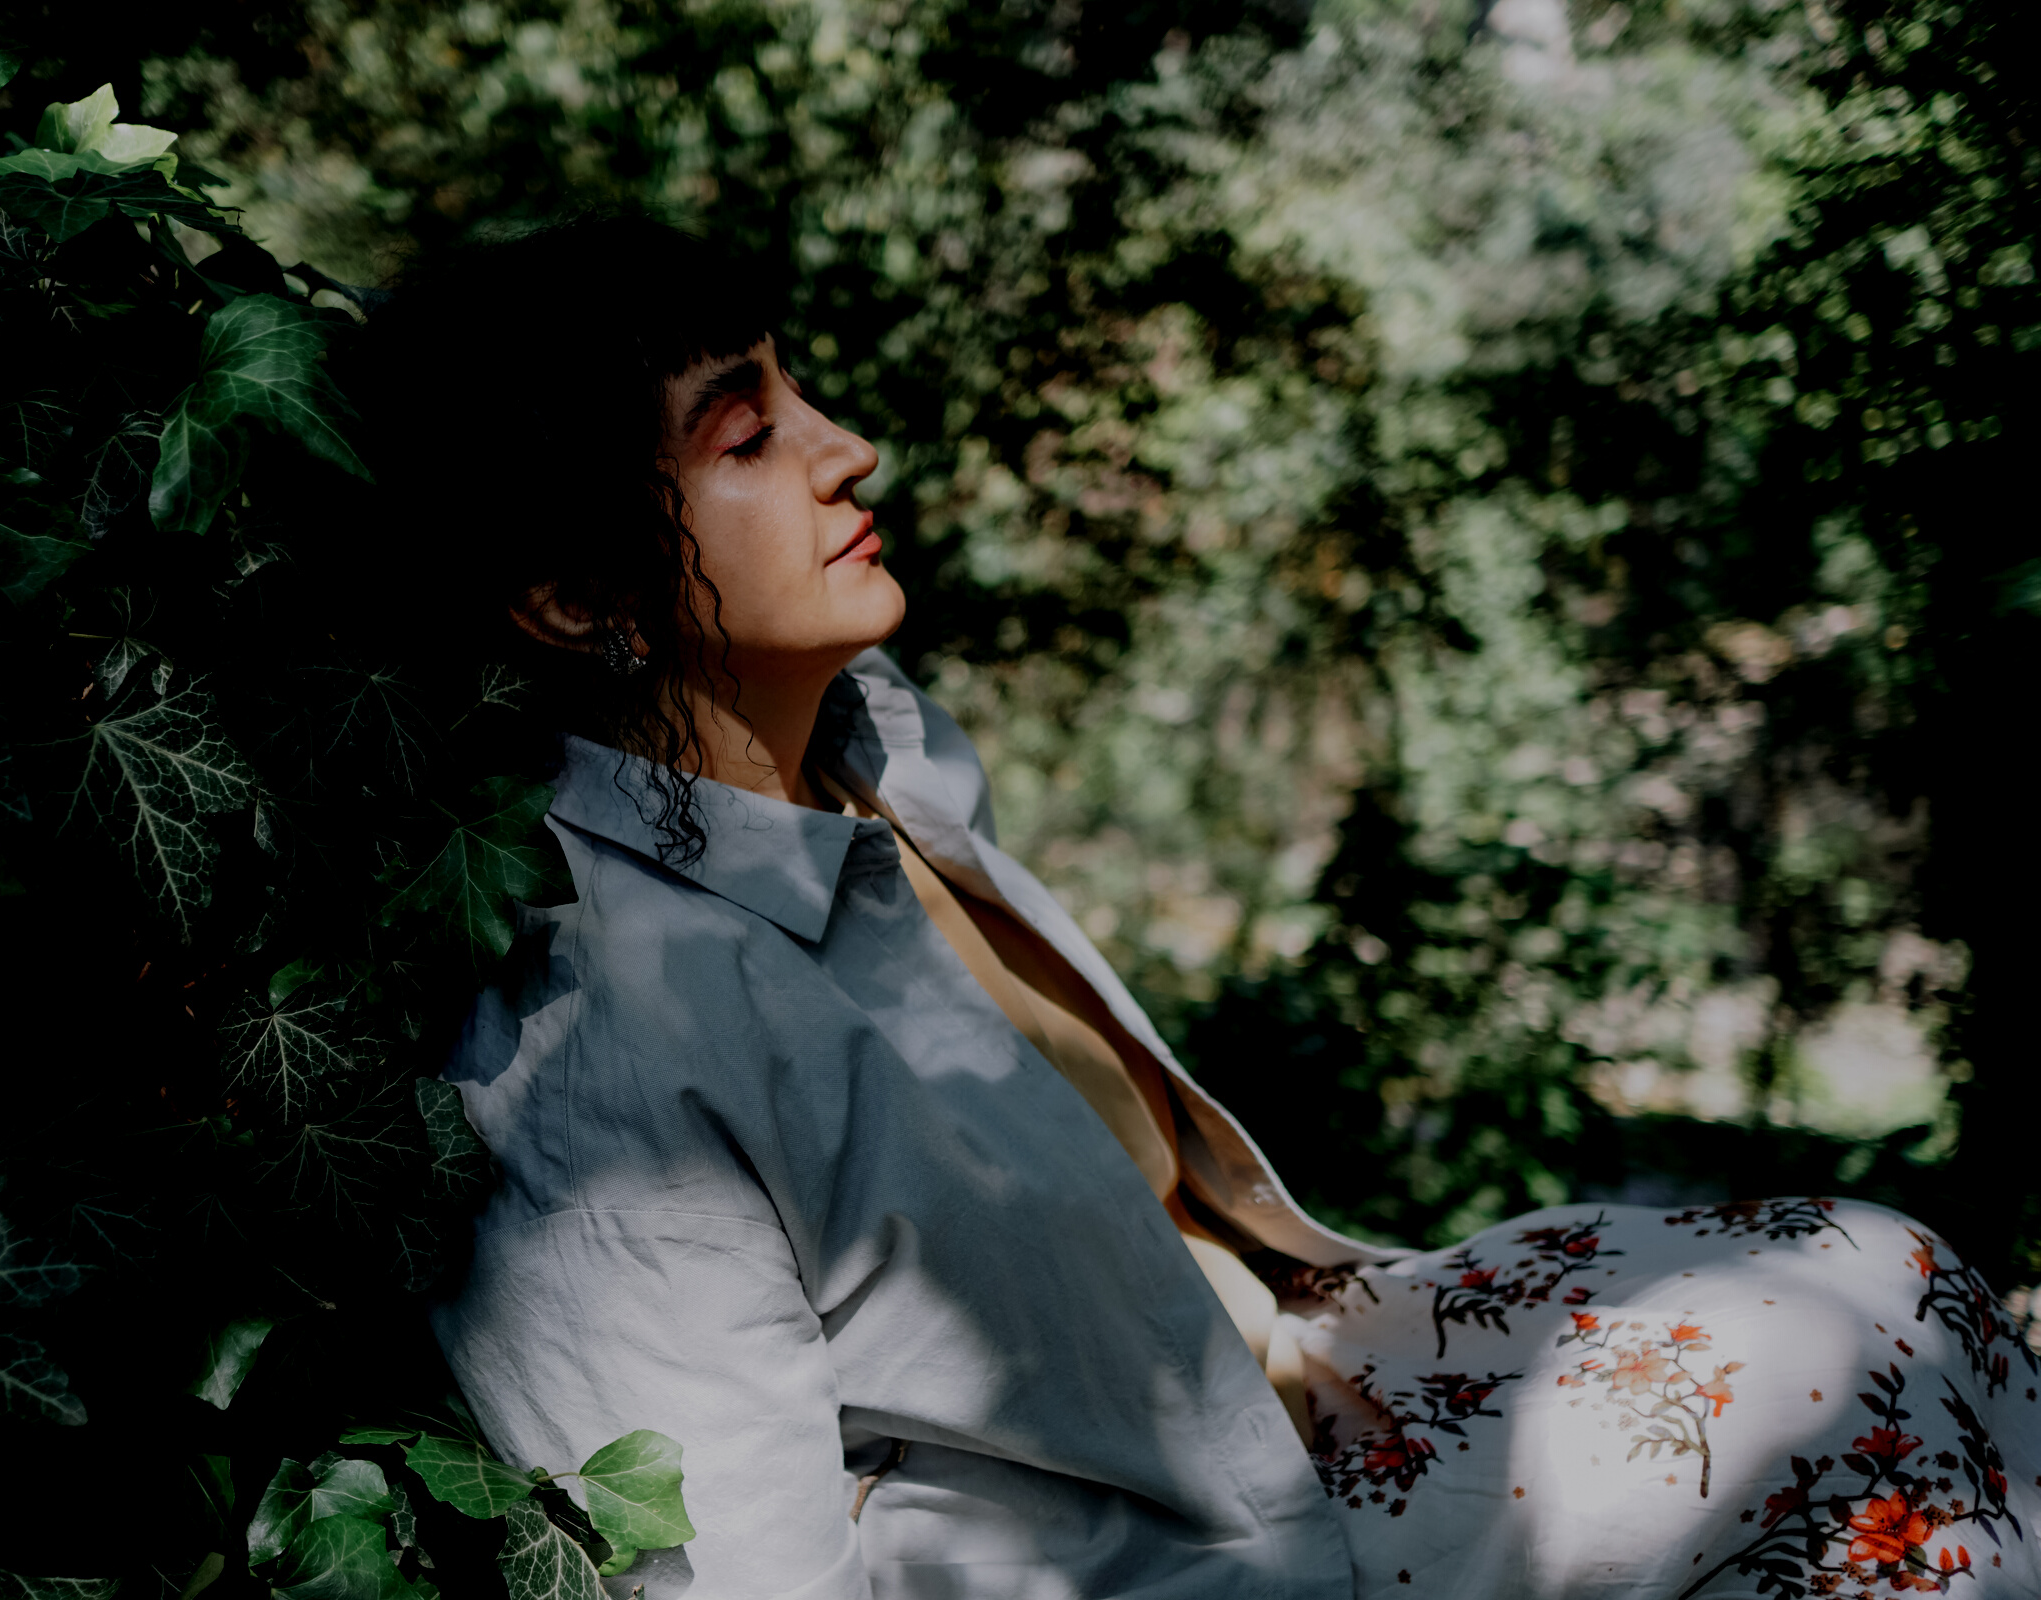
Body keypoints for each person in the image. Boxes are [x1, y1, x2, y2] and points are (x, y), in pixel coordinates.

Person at [395, 216, 2041, 1599]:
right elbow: (724, 1571)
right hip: (1198, 1554)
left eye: (796, 387)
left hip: (1308, 1370)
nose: (845, 447)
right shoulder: (592, 1037)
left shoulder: (873, 758)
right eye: (746, 434)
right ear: (573, 594)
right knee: (1867, 1466)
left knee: (1890, 1273)